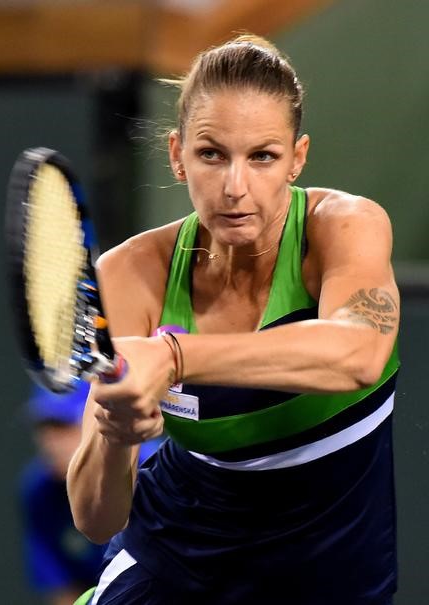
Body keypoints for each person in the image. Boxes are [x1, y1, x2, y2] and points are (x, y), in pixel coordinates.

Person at [66, 34, 400, 605]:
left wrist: (173, 356)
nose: (234, 187)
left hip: (333, 580)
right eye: (211, 154)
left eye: (262, 156)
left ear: (298, 157)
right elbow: (97, 519)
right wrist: (115, 434)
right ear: (177, 155)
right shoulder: (127, 273)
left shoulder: (345, 225)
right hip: (172, 567)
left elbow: (359, 354)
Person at [18, 382, 160, 605]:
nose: (52, 443)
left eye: (64, 427)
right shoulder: (38, 490)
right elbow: (61, 587)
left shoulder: (155, 472)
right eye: (46, 429)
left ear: (99, 423)